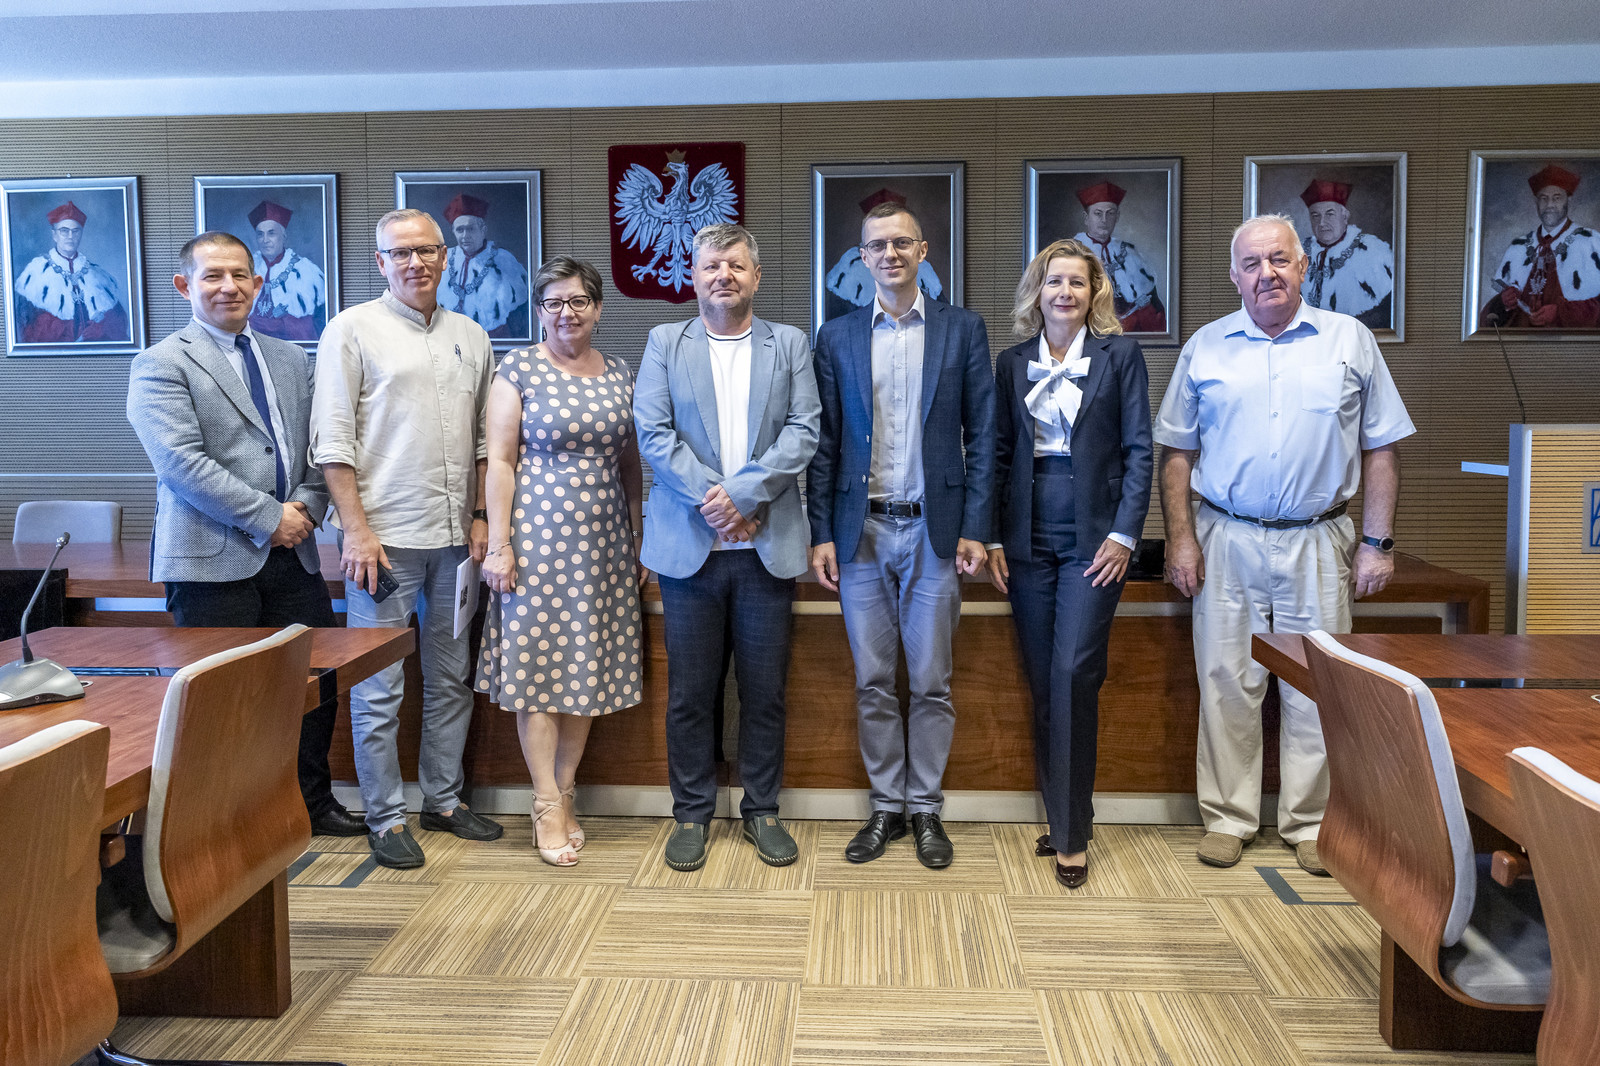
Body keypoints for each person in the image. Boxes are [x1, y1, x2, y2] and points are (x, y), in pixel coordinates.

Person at [1155, 213, 1415, 876]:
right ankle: (1228, 819)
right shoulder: (1206, 347)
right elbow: (1177, 454)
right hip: (1226, 538)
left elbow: (1382, 448)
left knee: (1318, 686)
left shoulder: (1349, 340)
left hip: (1319, 540)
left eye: (1278, 259)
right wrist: (1181, 539)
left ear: (1303, 266)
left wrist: (1378, 543)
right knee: (1225, 681)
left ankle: (1311, 824)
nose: (1265, 273)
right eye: (1252, 263)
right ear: (1234, 275)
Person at [126, 230, 364, 838]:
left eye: (240, 275)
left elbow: (318, 447)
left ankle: (311, 804)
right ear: (184, 285)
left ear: (258, 283)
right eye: (212, 275)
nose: (228, 286)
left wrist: (305, 507)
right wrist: (268, 517)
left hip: (295, 555)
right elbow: (180, 463)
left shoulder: (290, 357)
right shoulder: (161, 362)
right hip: (211, 559)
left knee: (313, 686)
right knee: (222, 701)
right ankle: (225, 824)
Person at [310, 207, 502, 869]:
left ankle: (443, 800)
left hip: (455, 541)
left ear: (445, 256)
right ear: (381, 262)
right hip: (382, 544)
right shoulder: (350, 331)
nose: (415, 262)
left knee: (452, 678)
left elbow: (486, 440)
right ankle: (386, 817)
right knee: (378, 688)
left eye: (426, 250)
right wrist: (355, 532)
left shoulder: (472, 335)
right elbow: (332, 443)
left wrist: (481, 516)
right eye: (400, 252)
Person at [808, 202, 995, 868]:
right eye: (876, 246)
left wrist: (976, 527)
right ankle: (887, 806)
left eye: (901, 243)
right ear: (862, 258)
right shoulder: (836, 337)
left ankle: (926, 811)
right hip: (859, 533)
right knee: (873, 681)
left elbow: (985, 436)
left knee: (933, 681)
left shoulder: (961, 329)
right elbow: (825, 443)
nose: (889, 254)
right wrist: (821, 532)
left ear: (922, 251)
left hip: (934, 534)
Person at [633, 222, 820, 873]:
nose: (724, 276)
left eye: (736, 265)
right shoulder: (665, 342)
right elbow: (653, 433)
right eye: (712, 265)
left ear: (756, 276)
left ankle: (762, 810)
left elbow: (804, 430)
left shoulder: (789, 343)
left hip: (766, 547)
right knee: (691, 692)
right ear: (694, 276)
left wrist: (743, 496)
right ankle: (691, 813)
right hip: (691, 552)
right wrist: (716, 503)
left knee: (764, 690)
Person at [984, 239, 1151, 888]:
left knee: (1073, 672)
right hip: (1026, 539)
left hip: (1093, 538)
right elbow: (997, 454)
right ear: (1038, 290)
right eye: (1054, 281)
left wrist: (1124, 535)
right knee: (1044, 682)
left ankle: (1073, 835)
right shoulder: (1011, 362)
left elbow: (1139, 450)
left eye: (1077, 282)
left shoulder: (1120, 356)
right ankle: (1062, 816)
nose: (1065, 292)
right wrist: (992, 538)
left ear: (1094, 292)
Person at [476, 256, 644, 866]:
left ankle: (566, 792)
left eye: (578, 301)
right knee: (537, 675)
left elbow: (630, 465)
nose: (566, 313)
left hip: (604, 545)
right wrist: (499, 545)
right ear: (540, 311)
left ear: (597, 308)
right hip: (537, 541)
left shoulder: (620, 371)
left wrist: (636, 536)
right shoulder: (518, 368)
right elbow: (500, 462)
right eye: (553, 303)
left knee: (584, 668)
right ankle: (545, 802)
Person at [1480, 163, 1600, 329]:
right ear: (1536, 202)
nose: (1549, 204)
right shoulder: (1519, 247)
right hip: (1522, 342)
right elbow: (1489, 318)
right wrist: (1503, 302)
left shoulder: (1591, 242)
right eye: (1543, 198)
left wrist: (1560, 313)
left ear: (1568, 200)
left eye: (1557, 198)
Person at [13, 200, 130, 344]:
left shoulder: (98, 276)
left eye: (76, 231)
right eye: (64, 231)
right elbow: (27, 327)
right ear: (54, 235)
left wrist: (101, 329)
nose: (70, 236)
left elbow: (119, 324)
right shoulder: (35, 273)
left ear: (81, 234)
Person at [1297, 179, 1394, 330]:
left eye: (1330, 214)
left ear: (1345, 216)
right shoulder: (1298, 250)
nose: (1321, 223)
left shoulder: (1373, 250)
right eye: (1315, 216)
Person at [1073, 182, 1166, 333]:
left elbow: (1156, 309)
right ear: (1086, 218)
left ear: (1117, 217)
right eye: (1098, 213)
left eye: (1110, 213)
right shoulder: (1071, 252)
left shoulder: (1130, 252)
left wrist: (1143, 306)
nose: (1104, 220)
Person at [439, 193, 531, 338]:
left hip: (493, 337)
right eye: (460, 230)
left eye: (471, 229)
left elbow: (521, 310)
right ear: (453, 232)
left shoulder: (504, 260)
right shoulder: (444, 258)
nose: (465, 235)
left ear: (483, 230)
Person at [247, 199, 327, 343]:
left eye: (271, 233)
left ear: (283, 236)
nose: (265, 240)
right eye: (260, 234)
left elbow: (316, 326)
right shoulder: (246, 267)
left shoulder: (305, 270)